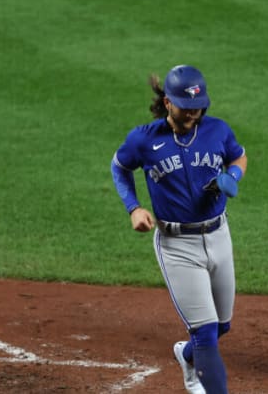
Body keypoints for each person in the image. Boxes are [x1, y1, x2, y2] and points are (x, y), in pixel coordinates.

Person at [111, 65, 247, 394]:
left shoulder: (217, 130)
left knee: (223, 325)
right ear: (167, 103)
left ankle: (185, 356)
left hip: (218, 235)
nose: (192, 114)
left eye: (198, 107)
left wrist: (233, 177)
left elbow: (238, 157)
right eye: (185, 108)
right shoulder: (143, 139)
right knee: (204, 333)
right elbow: (119, 167)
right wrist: (134, 207)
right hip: (177, 245)